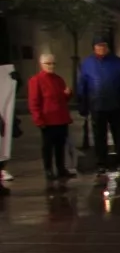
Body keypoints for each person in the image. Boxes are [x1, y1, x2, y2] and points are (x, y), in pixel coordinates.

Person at [76, 35, 120, 177]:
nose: (101, 49)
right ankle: (101, 163)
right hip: (96, 105)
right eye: (98, 46)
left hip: (115, 104)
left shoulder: (117, 62)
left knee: (119, 135)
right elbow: (82, 84)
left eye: (103, 46)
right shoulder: (88, 63)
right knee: (99, 136)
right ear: (94, 48)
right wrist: (83, 103)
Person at [28, 55, 72, 189]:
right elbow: (34, 102)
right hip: (47, 120)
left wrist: (67, 94)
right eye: (48, 64)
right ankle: (48, 169)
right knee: (48, 147)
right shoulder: (36, 81)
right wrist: (38, 119)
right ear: (42, 64)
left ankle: (61, 168)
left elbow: (62, 100)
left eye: (53, 63)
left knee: (60, 146)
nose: (51, 66)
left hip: (61, 118)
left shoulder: (58, 79)